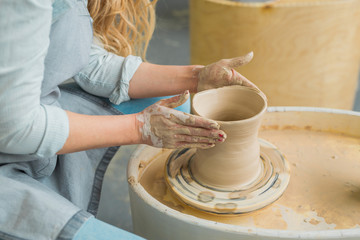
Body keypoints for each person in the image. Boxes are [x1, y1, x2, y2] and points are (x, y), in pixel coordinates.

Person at [0, 0, 259, 239]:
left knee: (184, 102)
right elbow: (17, 129)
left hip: (19, 113)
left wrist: (197, 78)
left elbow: (87, 61)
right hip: (12, 143)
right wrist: (140, 127)